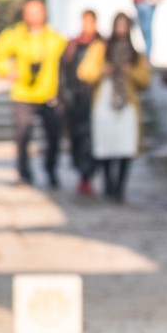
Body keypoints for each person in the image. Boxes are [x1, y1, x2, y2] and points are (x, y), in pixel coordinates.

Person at [78, 12, 151, 202]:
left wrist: (131, 72)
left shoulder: (135, 54)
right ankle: (108, 184)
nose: (121, 29)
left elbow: (145, 80)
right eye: (118, 25)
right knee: (106, 145)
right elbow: (84, 72)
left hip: (126, 102)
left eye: (124, 25)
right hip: (105, 101)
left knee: (126, 146)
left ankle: (120, 187)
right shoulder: (100, 48)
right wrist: (101, 70)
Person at [0, 0, 68, 188]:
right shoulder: (14, 35)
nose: (33, 17)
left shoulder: (54, 37)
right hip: (23, 94)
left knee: (53, 138)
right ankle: (24, 174)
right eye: (30, 12)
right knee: (22, 136)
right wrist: (7, 69)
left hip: (48, 94)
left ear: (44, 14)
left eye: (36, 12)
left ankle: (51, 171)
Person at [60, 10, 101, 196]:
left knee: (90, 140)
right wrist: (65, 94)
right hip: (75, 101)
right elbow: (63, 70)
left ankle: (88, 175)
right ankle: (81, 173)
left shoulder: (100, 45)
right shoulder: (73, 45)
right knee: (76, 139)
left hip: (93, 98)